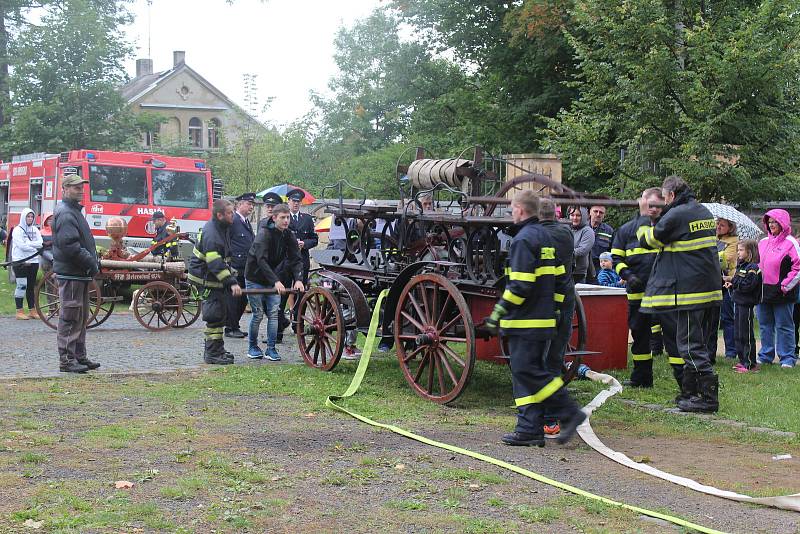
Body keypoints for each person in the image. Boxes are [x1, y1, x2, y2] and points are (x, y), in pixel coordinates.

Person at [484, 190, 585, 447]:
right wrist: (555, 309)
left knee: (530, 372)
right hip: (543, 319)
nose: (511, 212)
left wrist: (498, 313)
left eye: (512, 208)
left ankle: (569, 413)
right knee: (528, 371)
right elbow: (562, 277)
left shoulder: (523, 240)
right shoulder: (546, 238)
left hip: (525, 321)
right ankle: (529, 428)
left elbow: (520, 286)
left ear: (520, 209)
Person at [636, 176, 721, 412]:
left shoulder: (678, 214)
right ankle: (691, 392)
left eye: (663, 198)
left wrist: (645, 215)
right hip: (707, 289)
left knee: (689, 345)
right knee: (696, 341)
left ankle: (707, 398)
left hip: (689, 292)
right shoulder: (701, 211)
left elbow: (648, 241)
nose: (662, 203)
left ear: (671, 196)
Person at [613, 187, 675, 389]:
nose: (654, 210)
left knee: (673, 335)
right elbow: (617, 258)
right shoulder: (626, 230)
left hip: (665, 292)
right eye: (651, 205)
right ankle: (641, 377)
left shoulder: (668, 229)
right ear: (642, 203)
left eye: (658, 206)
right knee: (639, 335)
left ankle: (686, 382)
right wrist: (628, 276)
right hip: (638, 292)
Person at [52, 174, 101, 373]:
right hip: (72, 273)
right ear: (65, 189)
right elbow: (70, 246)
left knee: (80, 317)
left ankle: (79, 356)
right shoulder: (66, 213)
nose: (80, 190)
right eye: (75, 187)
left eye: (81, 187)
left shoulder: (73, 211)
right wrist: (91, 262)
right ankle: (67, 360)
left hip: (78, 274)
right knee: (70, 316)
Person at [245, 203, 304, 361]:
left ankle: (271, 349)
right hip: (255, 277)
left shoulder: (288, 235)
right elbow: (261, 260)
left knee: (273, 314)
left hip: (273, 277)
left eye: (288, 217)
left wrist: (298, 279)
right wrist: (276, 281)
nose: (286, 220)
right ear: (274, 218)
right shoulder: (264, 234)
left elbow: (296, 259)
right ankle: (252, 347)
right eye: (283, 217)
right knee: (257, 314)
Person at [188, 199, 243, 365]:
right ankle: (212, 353)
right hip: (205, 279)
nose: (232, 215)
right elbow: (214, 263)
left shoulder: (221, 227)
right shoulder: (212, 233)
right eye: (229, 213)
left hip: (212, 278)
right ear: (219, 215)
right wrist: (231, 282)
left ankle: (217, 349)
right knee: (215, 315)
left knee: (220, 315)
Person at [538, 197, 575, 440]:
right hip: (566, 300)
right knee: (555, 359)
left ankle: (549, 418)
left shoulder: (533, 236)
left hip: (543, 304)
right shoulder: (566, 233)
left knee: (539, 362)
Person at [756, 209, 800, 369]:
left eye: (775, 222)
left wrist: (785, 286)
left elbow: (798, 267)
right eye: (770, 222)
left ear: (783, 223)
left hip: (783, 293)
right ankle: (765, 355)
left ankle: (787, 358)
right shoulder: (762, 242)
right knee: (764, 324)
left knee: (784, 325)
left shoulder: (791, 243)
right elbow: (757, 264)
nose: (772, 224)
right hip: (763, 292)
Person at [278, 188, 318, 343]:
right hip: (286, 262)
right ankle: (278, 331)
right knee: (283, 296)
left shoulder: (306, 219)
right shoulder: (284, 218)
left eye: (298, 202)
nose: (296, 204)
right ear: (288, 202)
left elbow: (314, 239)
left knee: (301, 296)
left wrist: (304, 244)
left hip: (302, 261)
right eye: (293, 201)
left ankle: (298, 326)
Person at [224, 193, 256, 339]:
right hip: (235, 266)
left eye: (252, 204)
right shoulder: (233, 220)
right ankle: (230, 327)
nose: (251, 207)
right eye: (249, 204)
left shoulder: (245, 221)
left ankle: (235, 325)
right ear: (240, 204)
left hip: (246, 266)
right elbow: (226, 241)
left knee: (242, 298)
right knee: (234, 299)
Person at [727, 240, 761, 373]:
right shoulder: (741, 266)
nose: (738, 252)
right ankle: (742, 360)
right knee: (738, 334)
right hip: (738, 303)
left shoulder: (753, 268)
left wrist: (733, 281)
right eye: (738, 250)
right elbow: (739, 281)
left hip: (746, 305)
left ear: (749, 252)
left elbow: (748, 286)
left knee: (746, 334)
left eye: (741, 250)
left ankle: (750, 364)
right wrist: (732, 284)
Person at [10, 208, 43, 320]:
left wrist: (29, 244)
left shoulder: (35, 229)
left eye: (31, 217)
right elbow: (21, 246)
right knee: (21, 285)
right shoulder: (17, 230)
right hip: (20, 261)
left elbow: (41, 243)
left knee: (30, 286)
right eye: (28, 216)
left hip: (34, 261)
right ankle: (19, 311)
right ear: (23, 217)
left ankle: (32, 310)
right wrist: (33, 246)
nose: (30, 219)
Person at [716, 218, 738, 360]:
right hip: (712, 282)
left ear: (730, 228)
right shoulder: (712, 238)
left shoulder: (734, 241)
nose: (718, 226)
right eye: (717, 223)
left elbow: (726, 260)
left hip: (727, 284)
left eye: (722, 225)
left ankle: (731, 351)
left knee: (727, 318)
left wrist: (709, 254)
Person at [568, 206, 594, 284]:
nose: (575, 218)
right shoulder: (565, 228)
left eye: (578, 215)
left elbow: (582, 250)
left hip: (579, 274)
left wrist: (564, 254)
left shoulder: (588, 231)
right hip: (564, 271)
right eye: (572, 215)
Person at [589, 205, 614, 283]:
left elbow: (613, 253)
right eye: (595, 211)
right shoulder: (582, 228)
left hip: (601, 271)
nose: (598, 214)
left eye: (601, 212)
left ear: (604, 215)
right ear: (590, 212)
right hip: (583, 270)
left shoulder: (609, 231)